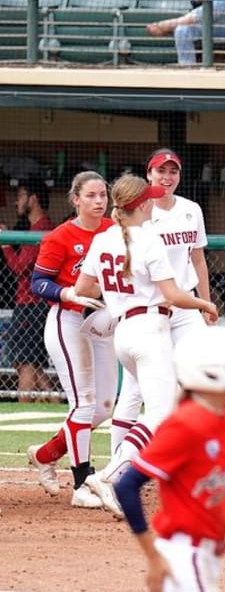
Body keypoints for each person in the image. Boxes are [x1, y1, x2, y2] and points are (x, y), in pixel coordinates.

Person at [74, 175, 218, 517]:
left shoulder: (104, 238)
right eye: (149, 198)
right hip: (150, 328)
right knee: (161, 414)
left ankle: (118, 473)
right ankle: (109, 475)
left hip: (124, 330)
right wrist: (204, 304)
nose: (153, 201)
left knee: (136, 399)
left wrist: (117, 287)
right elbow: (173, 295)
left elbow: (83, 287)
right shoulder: (149, 239)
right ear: (141, 205)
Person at [114, 326, 225, 591]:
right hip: (182, 556)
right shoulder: (184, 423)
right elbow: (126, 486)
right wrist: (153, 557)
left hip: (207, 557)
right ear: (209, 372)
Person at [109, 149, 213, 464]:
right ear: (149, 174)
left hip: (184, 306)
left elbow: (198, 259)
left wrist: (205, 302)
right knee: (133, 391)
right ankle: (118, 460)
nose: (167, 178)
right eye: (161, 171)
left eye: (173, 171)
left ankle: (190, 451)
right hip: (149, 308)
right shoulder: (140, 213)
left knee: (202, 372)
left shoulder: (190, 209)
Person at [25, 171, 118, 510]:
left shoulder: (114, 230)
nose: (98, 201)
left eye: (103, 195)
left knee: (104, 406)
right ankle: (81, 484)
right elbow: (39, 283)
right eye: (91, 195)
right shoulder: (61, 236)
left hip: (103, 321)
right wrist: (67, 293)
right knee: (84, 403)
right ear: (75, 199)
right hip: (69, 321)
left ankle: (46, 454)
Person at [1, 177, 54, 400]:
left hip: (32, 304)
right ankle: (55, 398)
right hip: (29, 304)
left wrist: (4, 245)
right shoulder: (35, 227)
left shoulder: (42, 228)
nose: (16, 202)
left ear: (33, 198)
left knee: (25, 360)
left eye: (21, 196)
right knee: (31, 360)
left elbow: (20, 266)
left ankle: (25, 403)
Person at [146, 0, 225, 65]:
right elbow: (193, 1)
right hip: (203, 23)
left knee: (221, 3)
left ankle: (169, 25)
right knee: (182, 30)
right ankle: (187, 70)